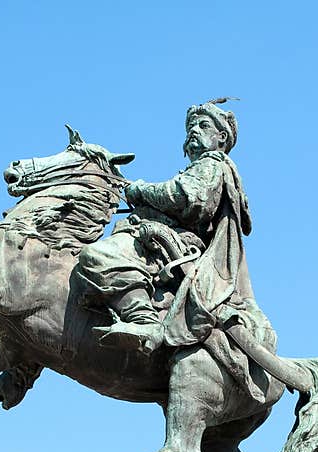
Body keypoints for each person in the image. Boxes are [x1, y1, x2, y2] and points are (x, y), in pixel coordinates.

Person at [75, 99, 256, 355]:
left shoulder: (213, 164)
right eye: (190, 126)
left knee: (99, 255)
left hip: (176, 243)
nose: (194, 130)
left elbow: (187, 197)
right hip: (162, 236)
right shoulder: (197, 167)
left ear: (221, 137)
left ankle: (145, 323)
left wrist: (141, 190)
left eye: (203, 126)